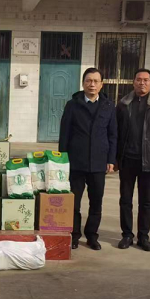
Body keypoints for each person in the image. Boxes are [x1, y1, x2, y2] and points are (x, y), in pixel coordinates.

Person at [59, 67, 117, 250]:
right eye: (88, 80)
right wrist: (62, 160)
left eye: (95, 81)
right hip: (76, 162)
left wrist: (111, 159)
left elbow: (113, 135)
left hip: (99, 163)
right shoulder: (72, 105)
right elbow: (64, 134)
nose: (92, 84)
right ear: (83, 83)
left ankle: (92, 236)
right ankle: (74, 235)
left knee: (96, 202)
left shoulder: (108, 106)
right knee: (74, 203)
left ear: (101, 84)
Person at [115, 68, 150, 252]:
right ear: (133, 82)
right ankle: (127, 235)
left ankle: (143, 237)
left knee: (145, 201)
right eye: (139, 79)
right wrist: (115, 158)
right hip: (127, 160)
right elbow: (116, 133)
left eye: (146, 80)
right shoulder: (123, 104)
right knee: (125, 199)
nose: (142, 83)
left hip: (149, 161)